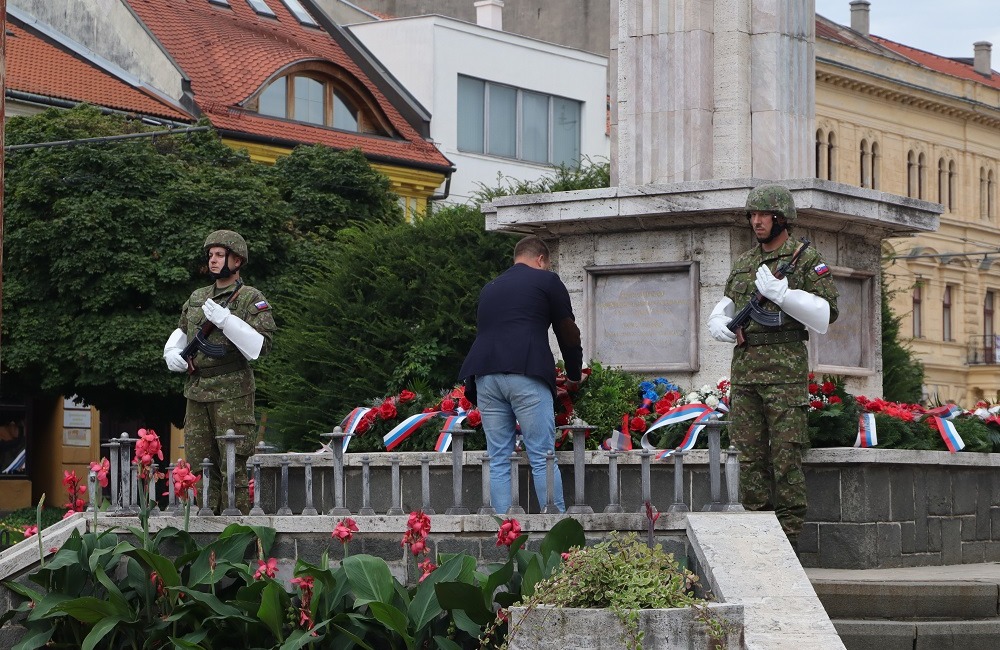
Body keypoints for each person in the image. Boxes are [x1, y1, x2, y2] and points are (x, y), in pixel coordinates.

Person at [707, 184, 839, 547]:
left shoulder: (805, 259)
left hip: (784, 374)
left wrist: (786, 295)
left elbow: (826, 315)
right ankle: (759, 535)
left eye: (764, 214)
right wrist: (718, 319)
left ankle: (790, 537)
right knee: (749, 457)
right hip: (746, 371)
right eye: (752, 214)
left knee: (785, 456)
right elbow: (729, 303)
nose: (757, 221)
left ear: (781, 217)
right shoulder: (747, 262)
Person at [460, 235, 583, 514]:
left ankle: (506, 536)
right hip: (526, 371)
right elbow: (567, 332)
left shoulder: (490, 287)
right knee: (542, 455)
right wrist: (574, 375)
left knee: (499, 457)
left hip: (485, 376)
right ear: (541, 260)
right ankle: (556, 528)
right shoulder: (548, 280)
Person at [163, 230, 275, 513]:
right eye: (210, 255)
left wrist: (227, 321)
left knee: (232, 464)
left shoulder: (250, 297)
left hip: (233, 391)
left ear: (236, 260)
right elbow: (181, 330)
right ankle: (204, 522)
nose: (213, 261)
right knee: (201, 463)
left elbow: (260, 346)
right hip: (198, 390)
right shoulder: (198, 296)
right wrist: (171, 352)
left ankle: (234, 528)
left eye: (219, 255)